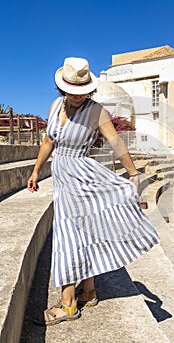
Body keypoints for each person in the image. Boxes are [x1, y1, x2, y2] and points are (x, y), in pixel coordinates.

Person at [27, 57, 159, 326]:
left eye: (83, 91)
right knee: (81, 232)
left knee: (68, 235)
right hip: (62, 177)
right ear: (63, 87)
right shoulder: (54, 106)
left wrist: (133, 174)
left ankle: (68, 305)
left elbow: (116, 142)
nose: (78, 96)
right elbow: (48, 141)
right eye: (73, 91)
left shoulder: (97, 111)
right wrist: (36, 170)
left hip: (83, 177)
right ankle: (88, 291)